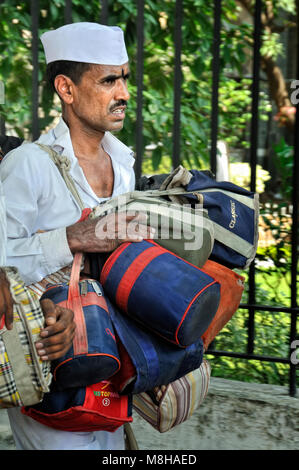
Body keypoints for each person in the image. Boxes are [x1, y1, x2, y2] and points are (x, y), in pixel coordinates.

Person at [0, 22, 153, 450]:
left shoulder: (123, 164)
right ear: (66, 89)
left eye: (124, 77)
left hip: (110, 368)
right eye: (108, 80)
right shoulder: (28, 165)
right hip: (52, 375)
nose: (123, 93)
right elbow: (3, 263)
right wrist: (70, 238)